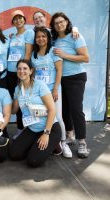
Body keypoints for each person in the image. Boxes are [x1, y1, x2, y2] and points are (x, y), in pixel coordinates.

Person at [50, 12, 90, 158]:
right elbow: (39, 33)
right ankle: (70, 135)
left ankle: (82, 142)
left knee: (76, 110)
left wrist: (64, 55)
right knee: (65, 110)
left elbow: (85, 58)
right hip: (61, 79)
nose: (59, 24)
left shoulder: (76, 37)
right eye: (56, 23)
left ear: (67, 22)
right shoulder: (53, 39)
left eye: (62, 21)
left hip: (76, 77)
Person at [9, 59, 61, 167]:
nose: (21, 71)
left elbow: (52, 109)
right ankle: (36, 145)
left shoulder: (40, 85)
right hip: (32, 128)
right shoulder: (18, 89)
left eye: (25, 68)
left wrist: (46, 134)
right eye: (19, 68)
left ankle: (54, 144)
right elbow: (13, 110)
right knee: (14, 154)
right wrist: (0, 103)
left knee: (33, 161)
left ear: (31, 71)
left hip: (49, 129)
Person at [31, 26, 72, 158]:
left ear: (48, 38)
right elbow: (34, 74)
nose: (41, 39)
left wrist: (55, 89)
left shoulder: (54, 51)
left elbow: (59, 71)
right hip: (39, 92)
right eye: (38, 37)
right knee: (42, 116)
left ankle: (63, 142)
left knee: (57, 117)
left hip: (53, 90)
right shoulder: (33, 54)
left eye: (43, 36)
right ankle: (52, 143)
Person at [7, 10, 34, 137]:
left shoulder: (29, 33)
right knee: (15, 100)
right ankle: (19, 128)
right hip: (10, 72)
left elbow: (27, 54)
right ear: (12, 22)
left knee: (23, 100)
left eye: (20, 18)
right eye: (15, 19)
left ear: (24, 19)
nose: (18, 21)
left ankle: (25, 129)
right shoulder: (12, 37)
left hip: (21, 73)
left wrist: (24, 72)